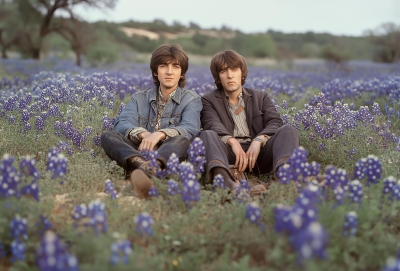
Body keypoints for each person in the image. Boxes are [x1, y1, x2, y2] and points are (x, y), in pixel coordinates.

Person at [101, 44, 202, 198]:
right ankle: (144, 166)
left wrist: (160, 134)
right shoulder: (139, 98)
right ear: (156, 72)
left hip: (172, 151)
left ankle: (154, 167)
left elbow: (190, 128)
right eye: (163, 66)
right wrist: (144, 134)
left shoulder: (191, 99)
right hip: (141, 149)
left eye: (175, 66)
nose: (169, 71)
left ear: (182, 73)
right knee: (108, 135)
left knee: (182, 139)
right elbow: (122, 123)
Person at [200, 50, 300, 192]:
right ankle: (226, 183)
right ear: (217, 78)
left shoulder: (260, 96)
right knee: (207, 134)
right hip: (229, 155)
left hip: (258, 155)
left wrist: (259, 140)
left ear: (242, 74)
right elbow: (211, 123)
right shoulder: (208, 100)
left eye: (234, 69)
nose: (230, 75)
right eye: (223, 71)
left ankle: (282, 179)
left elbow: (275, 122)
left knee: (288, 130)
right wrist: (232, 141)